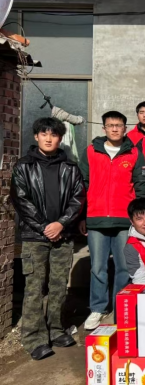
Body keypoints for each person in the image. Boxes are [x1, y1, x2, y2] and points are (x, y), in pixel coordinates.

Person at [11, 118, 85, 360]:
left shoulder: (70, 168)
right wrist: (45, 227)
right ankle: (34, 338)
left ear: (60, 138)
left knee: (58, 286)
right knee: (34, 287)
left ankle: (55, 329)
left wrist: (61, 223)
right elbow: (21, 201)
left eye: (53, 134)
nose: (49, 138)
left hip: (63, 235)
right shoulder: (24, 166)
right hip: (35, 237)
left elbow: (78, 199)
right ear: (36, 137)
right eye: (44, 134)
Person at [79, 111, 145, 330]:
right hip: (96, 217)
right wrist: (81, 215)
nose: (115, 129)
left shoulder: (134, 153)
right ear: (104, 128)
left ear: (125, 128)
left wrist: (137, 216)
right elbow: (82, 184)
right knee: (98, 266)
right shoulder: (91, 151)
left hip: (124, 219)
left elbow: (141, 185)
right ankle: (98, 308)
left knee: (123, 267)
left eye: (119, 125)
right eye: (111, 125)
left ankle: (120, 308)